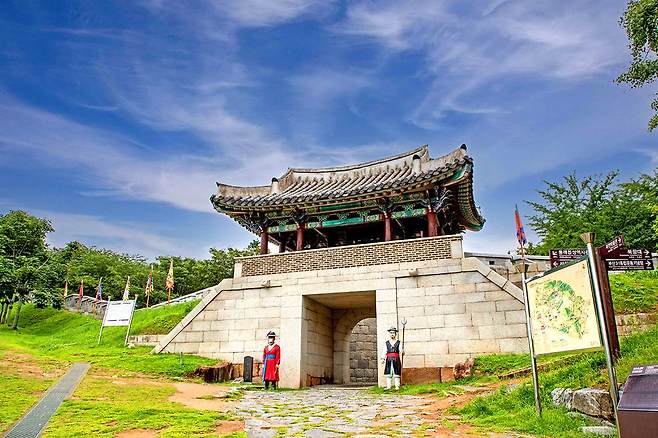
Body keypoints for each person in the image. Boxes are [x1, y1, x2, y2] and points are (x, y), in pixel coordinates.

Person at [381, 326, 403, 390]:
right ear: (389, 334)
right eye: (391, 333)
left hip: (396, 359)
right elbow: (384, 351)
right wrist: (383, 358)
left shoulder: (399, 342)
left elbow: (400, 350)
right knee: (388, 373)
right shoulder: (387, 343)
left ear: (395, 334)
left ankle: (397, 386)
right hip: (389, 359)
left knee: (397, 373)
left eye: (393, 333)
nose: (392, 334)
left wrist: (402, 351)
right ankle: (388, 386)